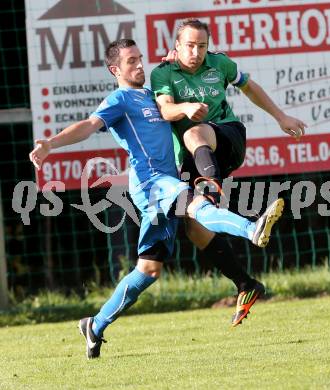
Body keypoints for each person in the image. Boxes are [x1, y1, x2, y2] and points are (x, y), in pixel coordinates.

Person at [29, 39, 284, 359]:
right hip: (152, 183)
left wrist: (173, 66)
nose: (139, 65)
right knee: (197, 205)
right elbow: (88, 126)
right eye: (130, 61)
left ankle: (94, 324)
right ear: (115, 70)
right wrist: (51, 144)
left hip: (161, 184)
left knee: (149, 269)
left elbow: (182, 92)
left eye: (140, 58)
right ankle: (251, 229)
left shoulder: (153, 95)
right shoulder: (120, 99)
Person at [151, 17, 307, 323]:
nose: (196, 52)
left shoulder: (219, 64)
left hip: (227, 136)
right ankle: (246, 284)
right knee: (195, 228)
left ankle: (210, 191)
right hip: (196, 157)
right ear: (176, 47)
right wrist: (183, 109)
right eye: (190, 46)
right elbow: (164, 108)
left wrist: (280, 116)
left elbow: (249, 87)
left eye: (201, 45)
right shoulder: (164, 72)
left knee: (194, 133)